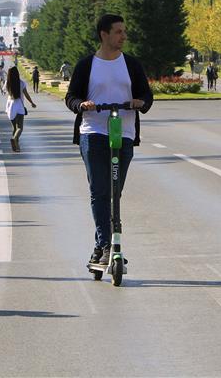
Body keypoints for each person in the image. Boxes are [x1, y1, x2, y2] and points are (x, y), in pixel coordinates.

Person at [65, 14, 153, 268]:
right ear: (104, 34)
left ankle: (100, 246)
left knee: (114, 193)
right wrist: (81, 105)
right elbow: (71, 97)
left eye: (124, 31)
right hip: (93, 131)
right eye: (118, 32)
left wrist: (141, 102)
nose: (124, 36)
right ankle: (108, 246)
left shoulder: (131, 64)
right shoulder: (87, 65)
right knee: (100, 191)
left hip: (122, 133)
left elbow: (146, 94)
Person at [5, 66, 37, 152]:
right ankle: (15, 139)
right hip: (19, 106)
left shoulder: (7, 83)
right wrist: (32, 103)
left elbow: (7, 93)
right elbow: (26, 94)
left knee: (14, 128)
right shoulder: (21, 83)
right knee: (20, 128)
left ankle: (16, 147)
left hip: (10, 106)